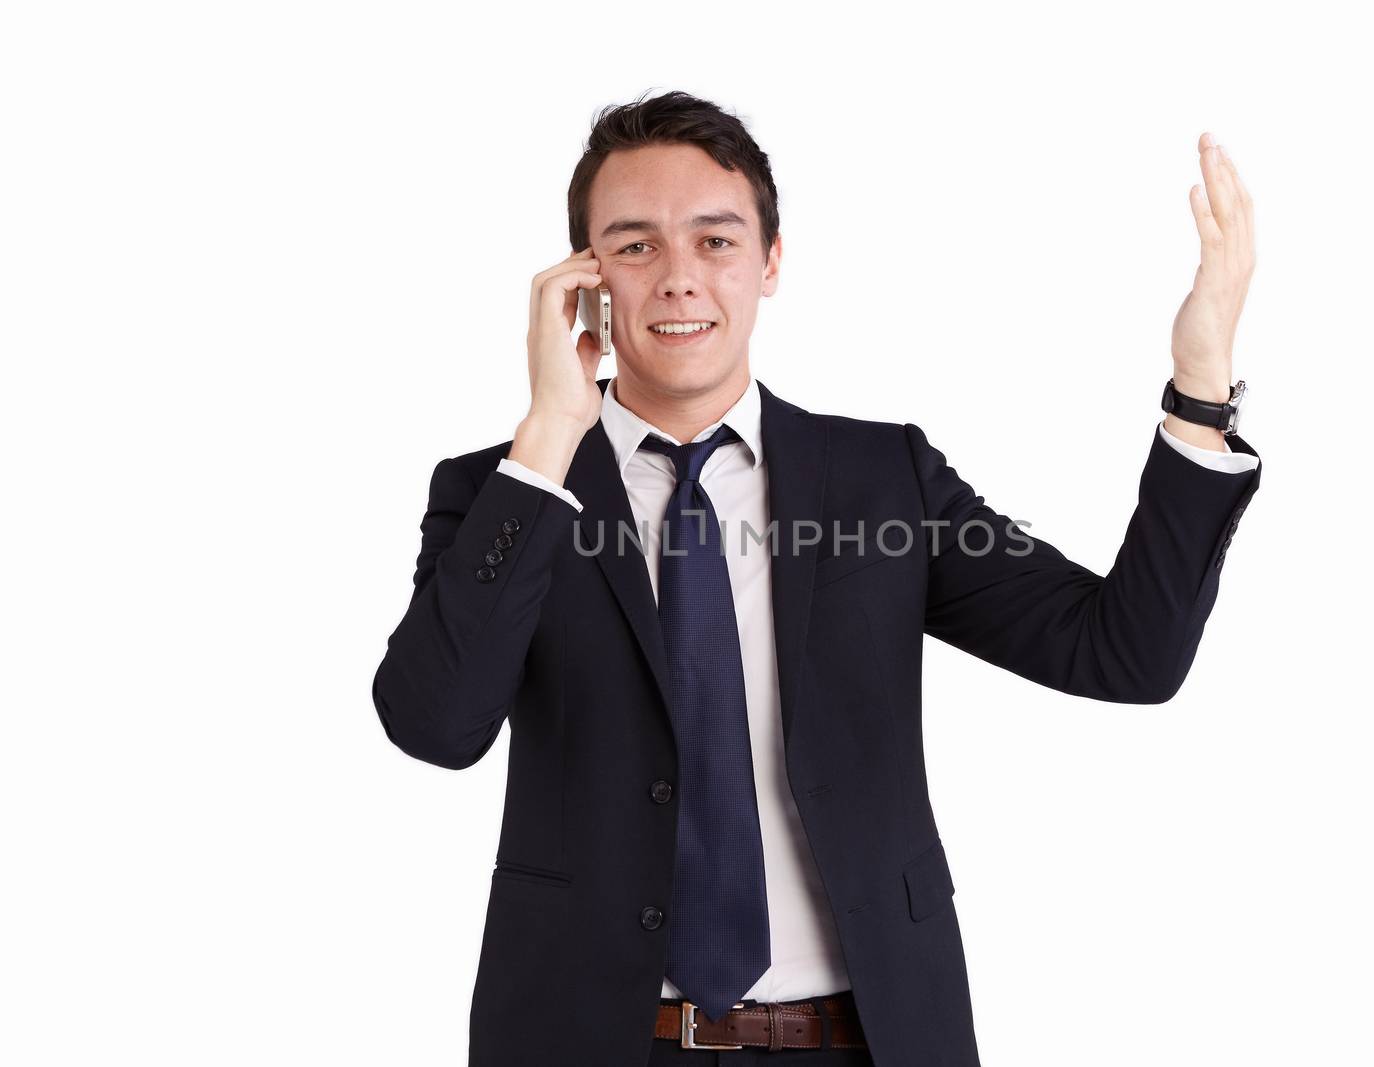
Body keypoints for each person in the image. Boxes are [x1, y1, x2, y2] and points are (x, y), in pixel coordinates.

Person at [371, 89, 1262, 1067]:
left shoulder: (884, 479)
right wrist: (547, 434)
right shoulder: (505, 489)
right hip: (589, 1038)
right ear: (582, 279)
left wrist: (1199, 389)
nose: (677, 278)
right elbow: (435, 724)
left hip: (861, 1037)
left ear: (771, 262)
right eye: (633, 246)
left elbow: (1121, 652)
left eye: (715, 241)